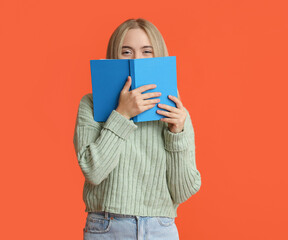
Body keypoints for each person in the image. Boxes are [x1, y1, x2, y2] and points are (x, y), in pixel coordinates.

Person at [73, 18, 201, 240]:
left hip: (160, 229)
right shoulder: (90, 104)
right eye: (126, 52)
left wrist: (177, 134)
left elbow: (183, 191)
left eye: (146, 51)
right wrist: (121, 115)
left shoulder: (174, 111)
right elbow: (94, 172)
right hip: (107, 227)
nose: (136, 59)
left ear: (157, 55)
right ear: (114, 57)